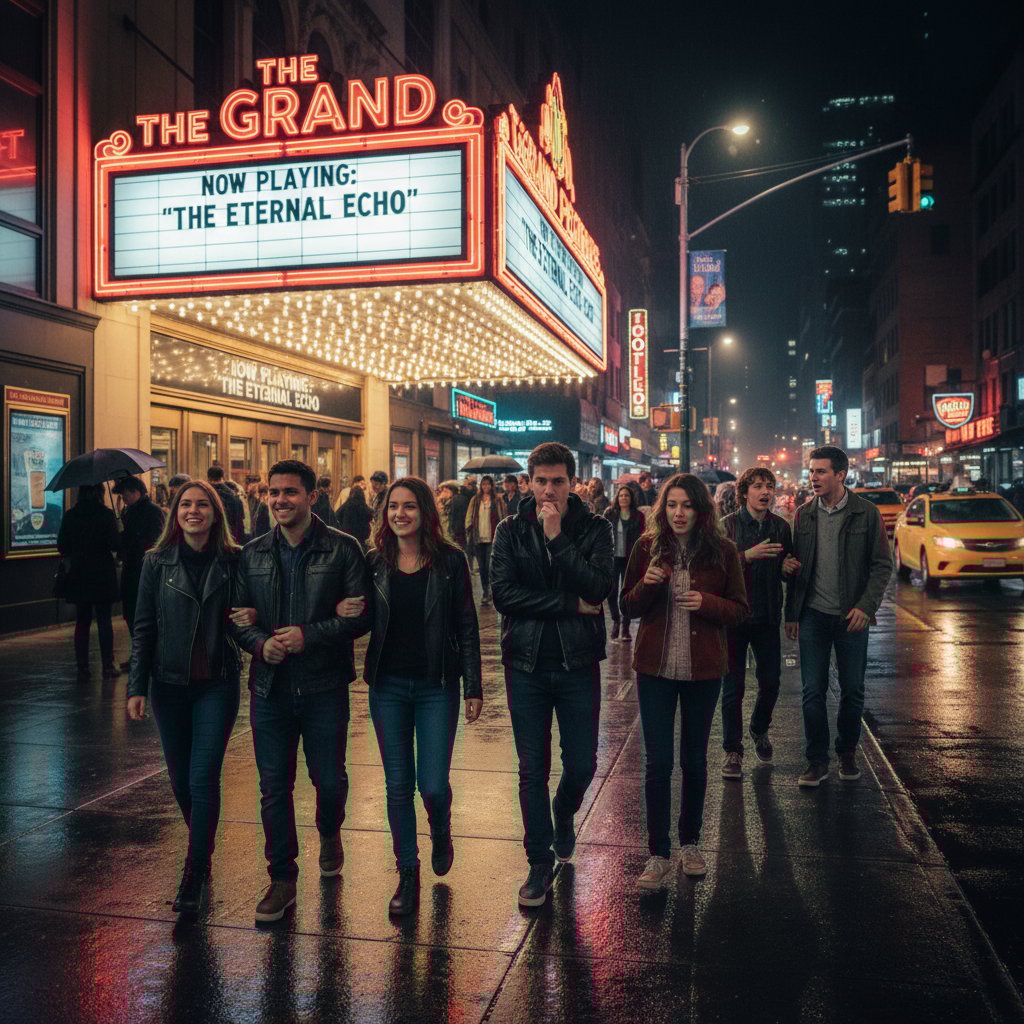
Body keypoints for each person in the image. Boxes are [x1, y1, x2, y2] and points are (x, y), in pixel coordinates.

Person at [232, 460, 371, 923]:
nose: (279, 500)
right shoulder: (251, 554)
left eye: (290, 492)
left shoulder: (343, 549)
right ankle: (282, 878)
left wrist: (310, 634)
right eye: (273, 492)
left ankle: (330, 831)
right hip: (269, 688)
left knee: (328, 780)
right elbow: (236, 618)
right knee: (274, 786)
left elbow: (362, 616)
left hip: (323, 685)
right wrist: (259, 643)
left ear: (312, 497)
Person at [341, 477, 483, 916]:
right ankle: (408, 872)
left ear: (425, 512)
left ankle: (440, 826)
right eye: (392, 507)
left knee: (433, 784)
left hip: (436, 686)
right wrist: (342, 611)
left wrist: (473, 686)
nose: (399, 514)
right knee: (398, 785)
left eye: (409, 507)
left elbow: (466, 624)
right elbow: (360, 618)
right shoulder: (375, 562)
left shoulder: (450, 561)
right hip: (387, 687)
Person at [490, 442, 613, 907]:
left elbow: (599, 588)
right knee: (531, 768)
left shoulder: (596, 529)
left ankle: (564, 813)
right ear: (528, 481)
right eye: (540, 481)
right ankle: (538, 863)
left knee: (582, 763)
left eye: (557, 481)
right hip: (525, 665)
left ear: (572, 483)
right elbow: (503, 594)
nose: (547, 490)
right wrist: (566, 604)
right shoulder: (509, 530)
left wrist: (559, 538)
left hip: (578, 664)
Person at [622, 474, 747, 886]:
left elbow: (740, 611)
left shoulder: (724, 552)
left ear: (701, 510)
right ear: (663, 508)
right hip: (655, 670)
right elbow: (626, 606)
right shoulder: (646, 547)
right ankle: (657, 853)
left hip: (703, 670)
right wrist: (647, 584)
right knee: (658, 762)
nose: (679, 513)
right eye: (672, 505)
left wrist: (706, 603)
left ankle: (690, 842)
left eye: (687, 505)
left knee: (694, 760)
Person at [125, 480, 244, 916]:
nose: (193, 511)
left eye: (202, 505)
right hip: (167, 685)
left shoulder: (235, 560)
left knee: (202, 776)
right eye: (185, 505)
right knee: (179, 780)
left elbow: (249, 614)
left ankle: (194, 870)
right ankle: (203, 847)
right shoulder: (156, 562)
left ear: (216, 514)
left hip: (217, 682)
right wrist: (136, 685)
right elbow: (143, 627)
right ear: (175, 513)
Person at [785, 446, 892, 788]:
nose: (813, 477)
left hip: (851, 617)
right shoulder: (804, 515)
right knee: (812, 690)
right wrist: (786, 581)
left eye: (820, 472)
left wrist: (866, 606)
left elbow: (881, 565)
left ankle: (846, 750)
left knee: (853, 690)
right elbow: (795, 566)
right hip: (813, 616)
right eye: (812, 471)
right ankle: (817, 761)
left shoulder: (866, 513)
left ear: (841, 475)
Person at [719, 467, 799, 778]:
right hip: (734, 618)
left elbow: (786, 570)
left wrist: (787, 568)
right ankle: (732, 751)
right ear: (744, 492)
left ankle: (758, 727)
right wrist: (746, 557)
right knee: (732, 688)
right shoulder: (726, 528)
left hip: (767, 617)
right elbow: (717, 570)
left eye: (769, 486)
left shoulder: (780, 527)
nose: (765, 492)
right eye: (757, 486)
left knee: (771, 682)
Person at [58, 484, 122, 681]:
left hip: (79, 572)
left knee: (82, 621)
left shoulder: (71, 515)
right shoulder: (106, 514)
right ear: (101, 494)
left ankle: (82, 667)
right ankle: (107, 666)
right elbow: (114, 544)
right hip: (102, 572)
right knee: (104, 620)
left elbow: (62, 546)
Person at [113, 476, 166, 652]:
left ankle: (148, 653)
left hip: (145, 569)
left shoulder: (153, 511)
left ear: (136, 491)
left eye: (125, 493)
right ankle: (138, 652)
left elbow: (156, 540)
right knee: (130, 612)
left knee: (144, 613)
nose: (123, 498)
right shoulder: (127, 512)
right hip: (130, 568)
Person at [603, 484, 645, 641]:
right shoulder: (610, 513)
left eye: (626, 495)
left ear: (631, 498)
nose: (623, 498)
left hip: (630, 558)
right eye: (621, 495)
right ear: (617, 497)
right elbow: (602, 534)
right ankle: (616, 621)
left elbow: (642, 538)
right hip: (613, 557)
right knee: (612, 591)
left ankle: (626, 627)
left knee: (627, 592)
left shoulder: (638, 516)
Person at [465, 474, 506, 606]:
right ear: (480, 486)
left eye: (488, 484)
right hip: (478, 537)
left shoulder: (497, 500)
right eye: (483, 484)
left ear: (492, 486)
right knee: (482, 567)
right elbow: (469, 516)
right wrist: (468, 530)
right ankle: (485, 591)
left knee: (489, 565)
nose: (486, 487)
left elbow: (503, 515)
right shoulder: (475, 500)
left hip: (492, 537)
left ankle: (490, 590)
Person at [207, 465, 245, 544]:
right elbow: (240, 520)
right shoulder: (234, 496)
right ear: (222, 478)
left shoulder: (205, 494)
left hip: (210, 539)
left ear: (208, 478)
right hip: (230, 539)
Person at [337, 480, 374, 549]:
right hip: (361, 538)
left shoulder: (347, 504)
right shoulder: (363, 506)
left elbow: (337, 515)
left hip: (347, 537)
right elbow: (371, 515)